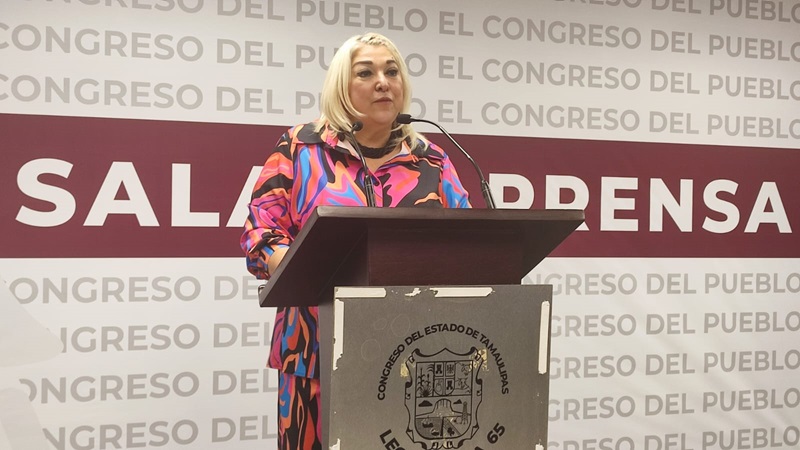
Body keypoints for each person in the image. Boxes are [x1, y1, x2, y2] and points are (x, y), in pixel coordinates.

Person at [240, 32, 471, 450]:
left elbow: (468, 239)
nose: (383, 82)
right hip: (313, 350)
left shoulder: (432, 159)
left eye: (392, 72)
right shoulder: (300, 147)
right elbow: (260, 231)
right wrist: (305, 271)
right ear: (341, 86)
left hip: (413, 354)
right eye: (365, 73)